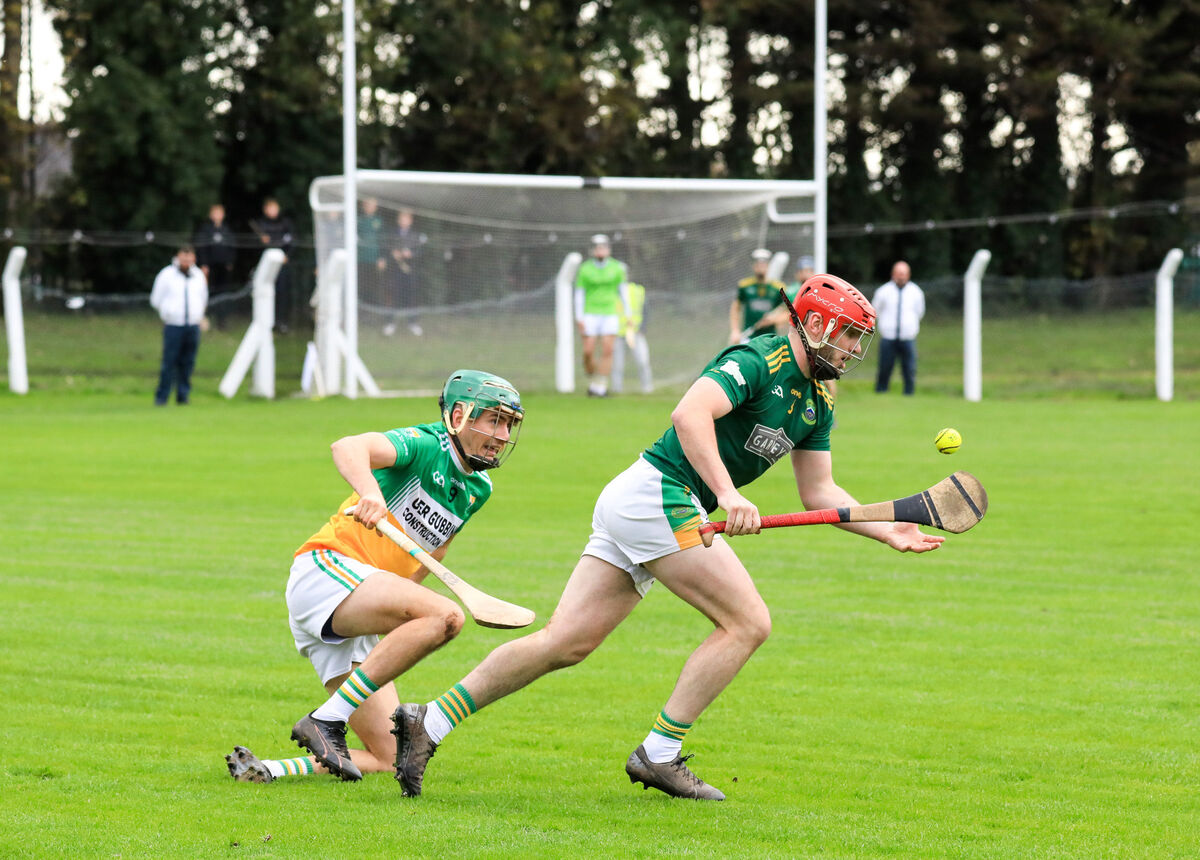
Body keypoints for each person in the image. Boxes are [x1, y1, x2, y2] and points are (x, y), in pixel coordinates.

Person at [390, 274, 946, 802]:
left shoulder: (819, 401)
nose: (853, 349)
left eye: (858, 339)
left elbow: (819, 491)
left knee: (565, 644)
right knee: (748, 622)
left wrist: (886, 530)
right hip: (659, 492)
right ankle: (659, 752)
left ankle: (425, 722)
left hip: (650, 504)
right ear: (818, 325)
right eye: (848, 334)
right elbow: (690, 414)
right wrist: (728, 494)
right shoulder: (758, 358)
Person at [225, 370, 526, 784]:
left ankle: (268, 770)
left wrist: (398, 614)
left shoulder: (478, 489)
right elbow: (348, 446)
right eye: (493, 419)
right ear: (458, 415)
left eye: (509, 423)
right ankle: (326, 718)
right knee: (447, 617)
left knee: (385, 755)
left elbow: (430, 554)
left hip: (360, 602)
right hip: (328, 571)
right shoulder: (425, 444)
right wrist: (370, 493)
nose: (502, 433)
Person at [149, 244, 208, 406]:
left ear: (193, 258)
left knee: (188, 362)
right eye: (184, 256)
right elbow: (156, 299)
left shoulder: (198, 275)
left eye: (189, 256)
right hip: (174, 325)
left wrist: (199, 316)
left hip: (192, 325)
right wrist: (168, 313)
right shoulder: (166, 275)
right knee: (169, 362)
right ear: (178, 256)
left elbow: (203, 298)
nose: (186, 259)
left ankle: (183, 396)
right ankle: (162, 397)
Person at [575, 234, 632, 398]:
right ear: (592, 250)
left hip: (609, 313)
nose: (601, 250)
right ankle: (593, 378)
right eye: (597, 247)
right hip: (590, 313)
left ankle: (600, 386)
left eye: (603, 247)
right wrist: (579, 317)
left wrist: (628, 314)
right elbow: (579, 294)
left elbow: (623, 291)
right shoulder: (585, 269)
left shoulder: (616, 268)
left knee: (607, 350)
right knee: (588, 351)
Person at [871, 260, 925, 395]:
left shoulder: (916, 292)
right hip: (888, 337)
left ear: (908, 275)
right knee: (885, 366)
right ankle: (881, 391)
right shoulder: (883, 291)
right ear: (893, 274)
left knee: (909, 368)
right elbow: (875, 310)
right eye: (899, 273)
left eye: (904, 274)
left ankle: (909, 393)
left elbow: (919, 312)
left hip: (907, 337)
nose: (901, 276)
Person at [252, 197, 295, 333]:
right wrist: (261, 242)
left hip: (282, 264)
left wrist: (287, 255)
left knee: (282, 293)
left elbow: (292, 241)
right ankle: (265, 322)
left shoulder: (285, 223)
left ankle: (281, 322)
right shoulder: (261, 225)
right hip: (267, 267)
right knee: (266, 292)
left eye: (275, 208)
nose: (273, 211)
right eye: (270, 208)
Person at [728, 248, 786, 344]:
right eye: (757, 263)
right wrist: (735, 330)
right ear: (753, 265)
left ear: (768, 265)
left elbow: (788, 312)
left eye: (763, 263)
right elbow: (735, 308)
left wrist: (774, 320)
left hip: (770, 339)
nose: (760, 266)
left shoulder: (778, 288)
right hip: (749, 337)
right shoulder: (744, 286)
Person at [192, 203, 236, 329]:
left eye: (219, 213)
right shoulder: (205, 230)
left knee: (223, 293)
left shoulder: (227, 230)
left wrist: (229, 262)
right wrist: (204, 264)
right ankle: (205, 319)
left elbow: (232, 248)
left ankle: (222, 321)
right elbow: (202, 248)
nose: (217, 215)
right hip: (209, 267)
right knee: (209, 292)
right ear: (210, 215)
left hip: (223, 268)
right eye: (215, 213)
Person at [385, 209, 423, 337]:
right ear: (398, 220)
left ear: (410, 221)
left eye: (406, 218)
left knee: (411, 296)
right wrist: (393, 253)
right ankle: (390, 323)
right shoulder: (392, 233)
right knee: (393, 295)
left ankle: (412, 322)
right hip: (395, 271)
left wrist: (411, 254)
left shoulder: (415, 235)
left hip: (410, 272)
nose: (404, 221)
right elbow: (386, 248)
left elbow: (421, 252)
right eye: (402, 218)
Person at [610, 281, 653, 395]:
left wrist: (642, 328)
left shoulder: (638, 290)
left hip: (635, 332)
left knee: (643, 361)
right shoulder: (611, 290)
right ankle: (616, 389)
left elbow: (645, 310)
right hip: (617, 333)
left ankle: (647, 388)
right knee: (617, 364)